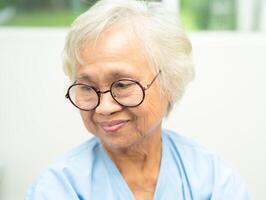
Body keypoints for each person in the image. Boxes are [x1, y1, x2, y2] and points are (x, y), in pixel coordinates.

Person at [26, 0, 250, 199]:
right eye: (87, 87)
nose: (104, 108)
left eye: (122, 85)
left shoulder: (213, 180)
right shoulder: (58, 187)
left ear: (169, 82)